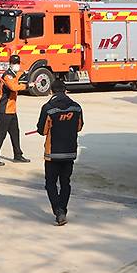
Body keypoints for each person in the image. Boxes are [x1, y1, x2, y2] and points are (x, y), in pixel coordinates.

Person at [36, 79, 83, 226]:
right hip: (69, 152)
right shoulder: (76, 107)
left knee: (50, 183)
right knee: (65, 183)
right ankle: (62, 209)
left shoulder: (48, 108)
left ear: (51, 91)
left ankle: (58, 210)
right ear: (65, 90)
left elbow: (42, 130)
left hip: (53, 153)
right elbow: (79, 127)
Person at [0, 55, 31, 166]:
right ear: (10, 63)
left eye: (17, 62)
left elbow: (19, 76)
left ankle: (17, 155)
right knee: (1, 134)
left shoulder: (13, 74)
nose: (17, 65)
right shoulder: (7, 75)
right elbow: (14, 87)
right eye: (14, 63)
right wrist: (27, 85)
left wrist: (26, 74)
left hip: (11, 110)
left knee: (15, 132)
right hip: (3, 110)